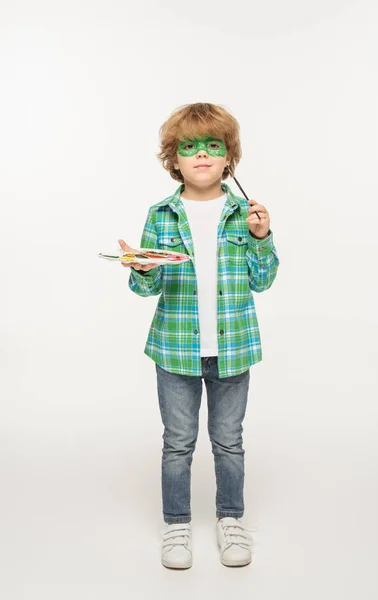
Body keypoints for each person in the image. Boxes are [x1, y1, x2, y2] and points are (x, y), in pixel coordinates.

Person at [118, 102, 279, 569]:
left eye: (213, 146)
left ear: (229, 157)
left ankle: (231, 519)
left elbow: (263, 280)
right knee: (178, 441)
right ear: (175, 159)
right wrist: (142, 267)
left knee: (229, 440)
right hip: (175, 349)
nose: (203, 155)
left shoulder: (244, 214)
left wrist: (262, 237)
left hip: (233, 348)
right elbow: (144, 286)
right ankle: (176, 525)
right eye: (191, 148)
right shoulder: (161, 213)